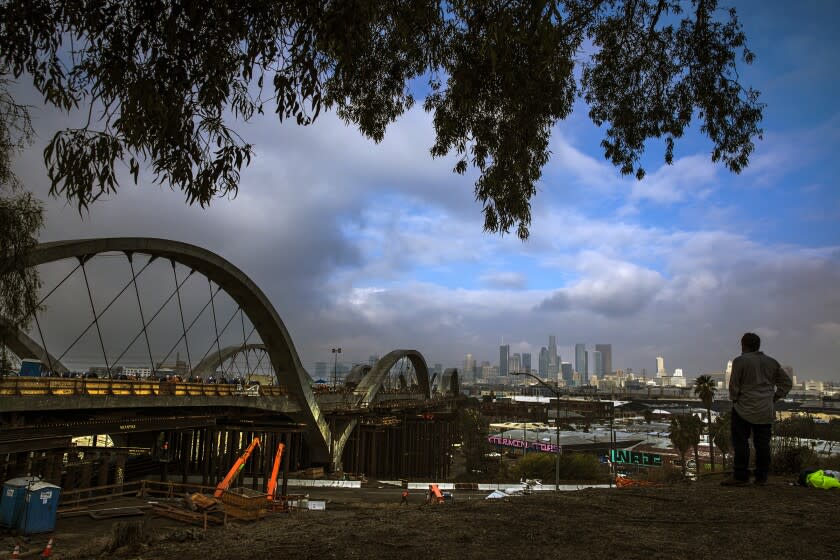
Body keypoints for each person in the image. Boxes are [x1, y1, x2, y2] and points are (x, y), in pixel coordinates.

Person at [722, 332, 792, 487]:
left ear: (743, 345)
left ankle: (740, 476)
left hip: (743, 408)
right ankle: (761, 477)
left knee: (741, 442)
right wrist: (774, 397)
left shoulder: (740, 361)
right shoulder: (771, 362)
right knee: (762, 444)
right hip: (765, 410)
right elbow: (786, 383)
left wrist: (735, 399)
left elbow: (733, 386)